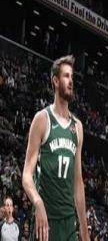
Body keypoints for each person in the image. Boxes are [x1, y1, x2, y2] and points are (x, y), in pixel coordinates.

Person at [22, 55, 89, 241]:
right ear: (55, 81)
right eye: (66, 76)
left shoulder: (77, 127)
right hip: (46, 221)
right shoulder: (42, 119)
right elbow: (26, 175)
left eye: (72, 77)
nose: (71, 81)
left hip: (69, 223)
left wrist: (84, 229)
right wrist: (38, 203)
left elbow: (78, 182)